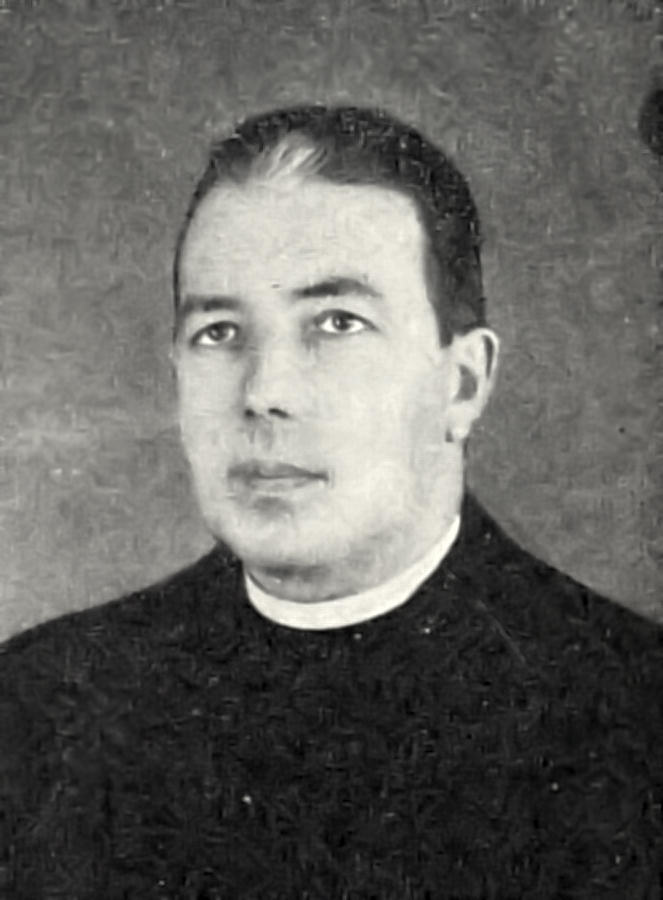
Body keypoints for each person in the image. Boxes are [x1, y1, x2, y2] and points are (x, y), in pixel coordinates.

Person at [1, 105, 661, 899]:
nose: (264, 392)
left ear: (461, 384)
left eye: (336, 323)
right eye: (219, 332)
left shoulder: (633, 712)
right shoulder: (40, 704)